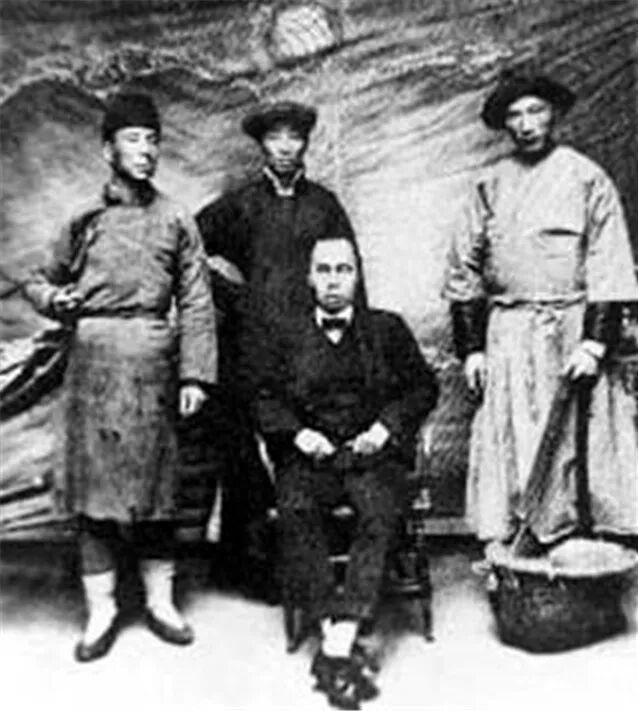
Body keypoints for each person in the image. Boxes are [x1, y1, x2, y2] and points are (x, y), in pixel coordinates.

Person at [23, 93, 218, 662]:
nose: (146, 151)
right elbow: (37, 279)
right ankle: (101, 612)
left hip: (155, 367)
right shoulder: (83, 217)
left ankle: (161, 603)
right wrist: (54, 299)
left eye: (153, 140)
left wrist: (195, 377)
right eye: (133, 139)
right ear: (108, 150)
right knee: (94, 498)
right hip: (94, 369)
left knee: (158, 494)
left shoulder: (177, 218)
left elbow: (197, 302)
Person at [444, 69, 638, 548]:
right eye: (515, 115)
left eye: (535, 111)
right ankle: (522, 539)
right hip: (510, 332)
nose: (526, 124)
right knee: (516, 432)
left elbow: (609, 262)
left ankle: (584, 538)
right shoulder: (489, 184)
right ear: (504, 124)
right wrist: (472, 349)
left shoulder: (587, 177)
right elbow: (462, 268)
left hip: (574, 329)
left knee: (584, 436)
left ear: (553, 115)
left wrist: (594, 344)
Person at [256, 236, 438, 709]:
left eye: (343, 270)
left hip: (370, 456)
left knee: (379, 513)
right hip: (310, 458)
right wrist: (298, 434)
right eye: (324, 270)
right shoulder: (285, 333)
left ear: (357, 276)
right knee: (296, 510)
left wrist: (384, 428)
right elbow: (262, 397)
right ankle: (330, 631)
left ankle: (338, 643)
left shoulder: (386, 329)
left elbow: (423, 387)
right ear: (309, 278)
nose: (334, 281)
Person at [194, 101, 366, 595]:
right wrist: (233, 297)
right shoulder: (241, 204)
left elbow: (350, 272)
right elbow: (187, 251)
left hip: (309, 348)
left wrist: (353, 341)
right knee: (246, 456)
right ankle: (250, 569)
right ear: (261, 146)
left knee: (301, 445)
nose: (286, 147)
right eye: (275, 138)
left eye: (295, 137)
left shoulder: (325, 205)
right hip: (249, 347)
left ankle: (307, 566)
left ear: (306, 143)